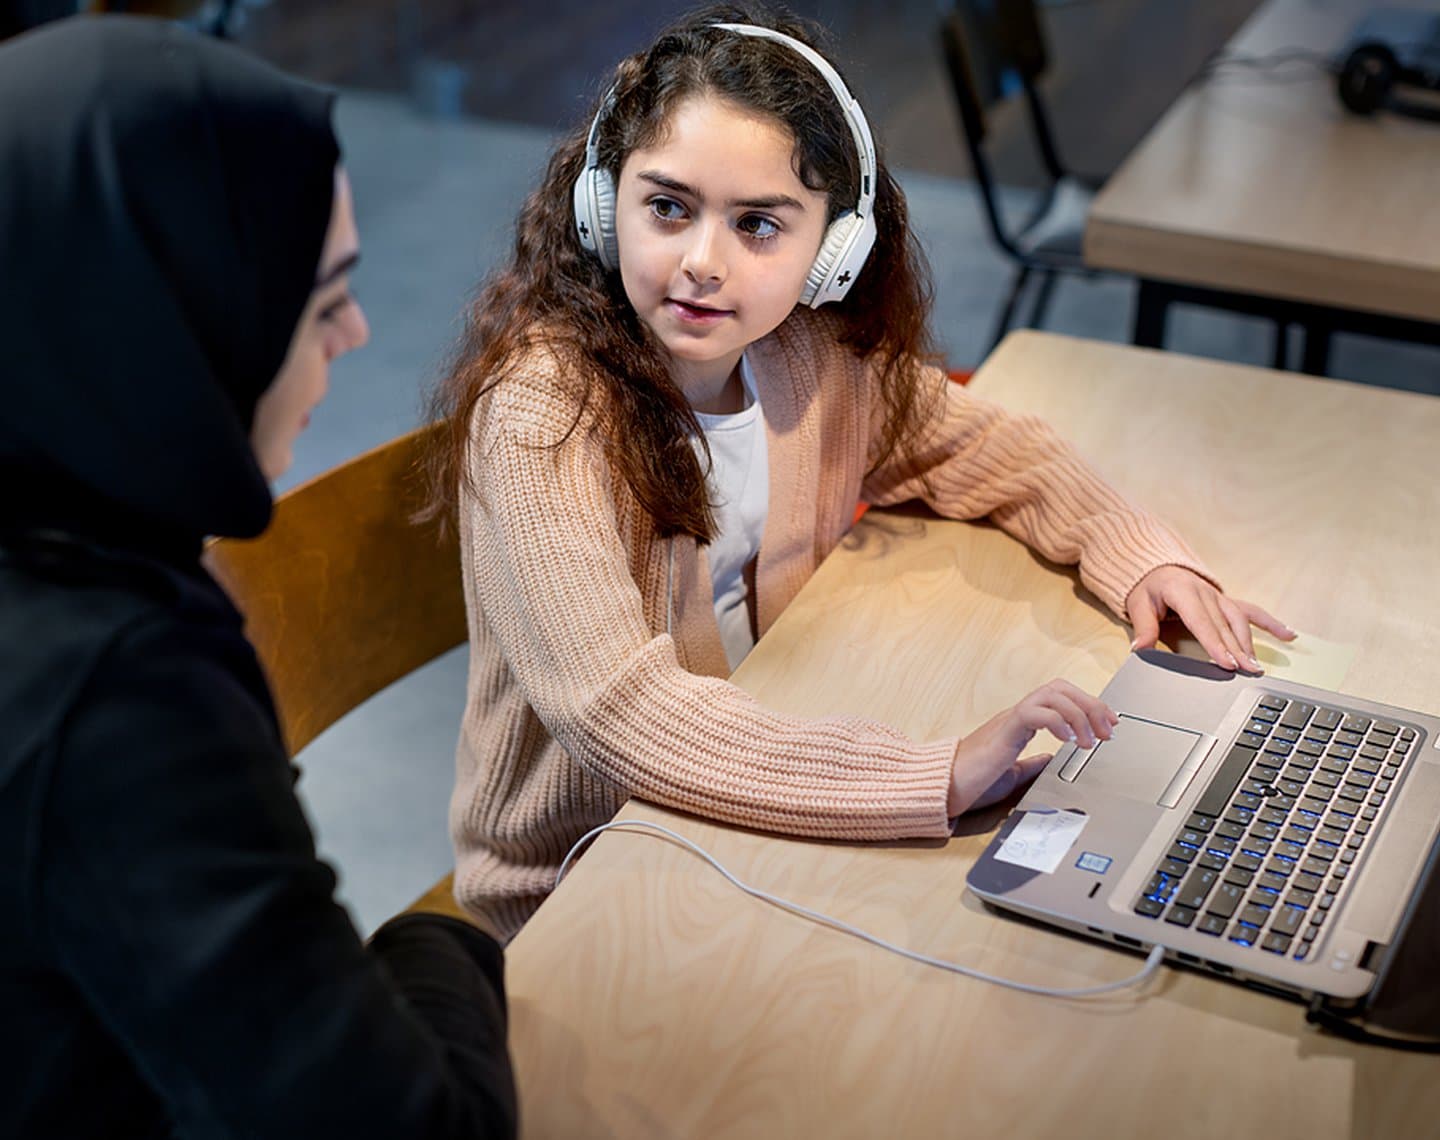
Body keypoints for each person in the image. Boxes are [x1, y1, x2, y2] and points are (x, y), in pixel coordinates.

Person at [423, 2, 1293, 942]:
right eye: (668, 208)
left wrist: (1140, 556)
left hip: (763, 777)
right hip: (588, 879)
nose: (704, 263)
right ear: (605, 207)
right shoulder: (545, 417)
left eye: (760, 225)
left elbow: (983, 445)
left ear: (832, 251)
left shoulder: (800, 355)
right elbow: (621, 718)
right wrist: (937, 773)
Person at [0, 17, 516, 1138]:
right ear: (178, 326)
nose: (358, 333)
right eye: (319, 297)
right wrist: (446, 943)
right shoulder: (118, 690)